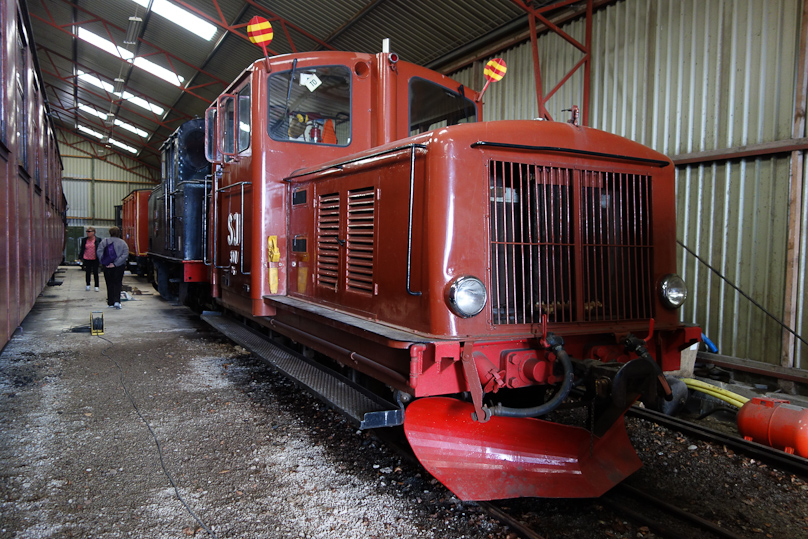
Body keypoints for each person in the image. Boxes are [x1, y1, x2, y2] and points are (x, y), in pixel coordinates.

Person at [96, 227, 129, 309]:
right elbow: (125, 254)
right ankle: (117, 301)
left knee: (109, 283)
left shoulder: (104, 241)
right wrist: (116, 263)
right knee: (118, 283)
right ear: (119, 233)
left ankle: (110, 302)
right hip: (119, 266)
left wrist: (105, 262)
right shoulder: (123, 243)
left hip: (107, 266)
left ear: (110, 232)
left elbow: (99, 252)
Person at [79, 227, 100, 292]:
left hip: (95, 258)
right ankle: (88, 284)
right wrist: (80, 258)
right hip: (87, 258)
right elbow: (82, 249)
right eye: (87, 231)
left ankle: (96, 286)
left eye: (89, 231)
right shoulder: (84, 240)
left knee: (95, 272)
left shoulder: (98, 240)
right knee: (87, 271)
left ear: (93, 232)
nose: (88, 233)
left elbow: (100, 249)